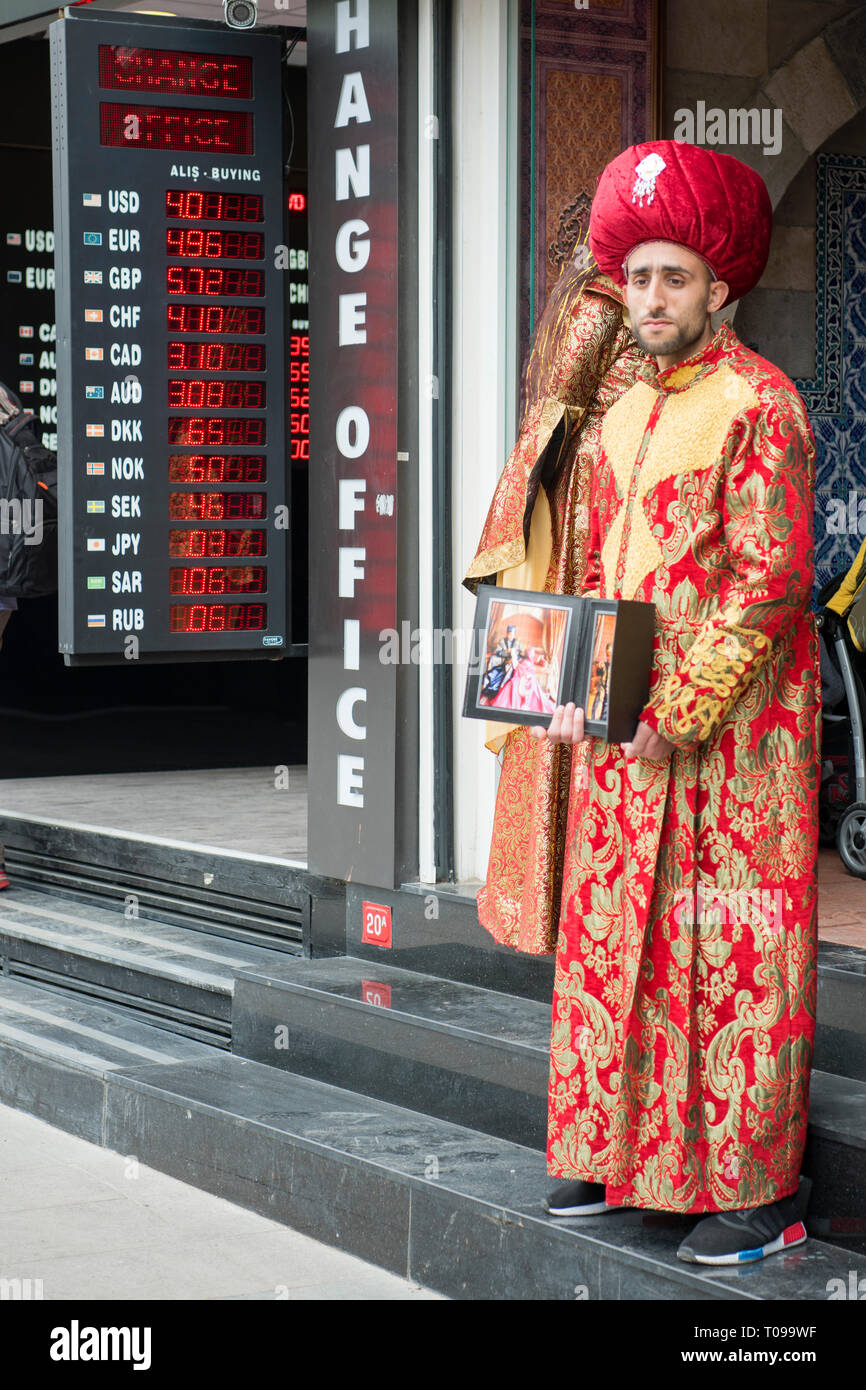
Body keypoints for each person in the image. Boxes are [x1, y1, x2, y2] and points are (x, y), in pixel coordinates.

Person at [533, 139, 820, 1265]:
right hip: (621, 737)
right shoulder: (616, 419)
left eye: (673, 278)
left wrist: (679, 711)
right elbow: (594, 578)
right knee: (631, 953)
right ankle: (638, 1164)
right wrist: (569, 690)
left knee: (732, 961)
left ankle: (757, 1192)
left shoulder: (763, 405)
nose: (650, 300)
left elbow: (769, 588)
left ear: (721, 285)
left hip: (730, 750)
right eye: (636, 277)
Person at [463, 251, 649, 953]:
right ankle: (567, 895)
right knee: (576, 701)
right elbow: (555, 416)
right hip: (592, 516)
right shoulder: (602, 300)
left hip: (626, 496)